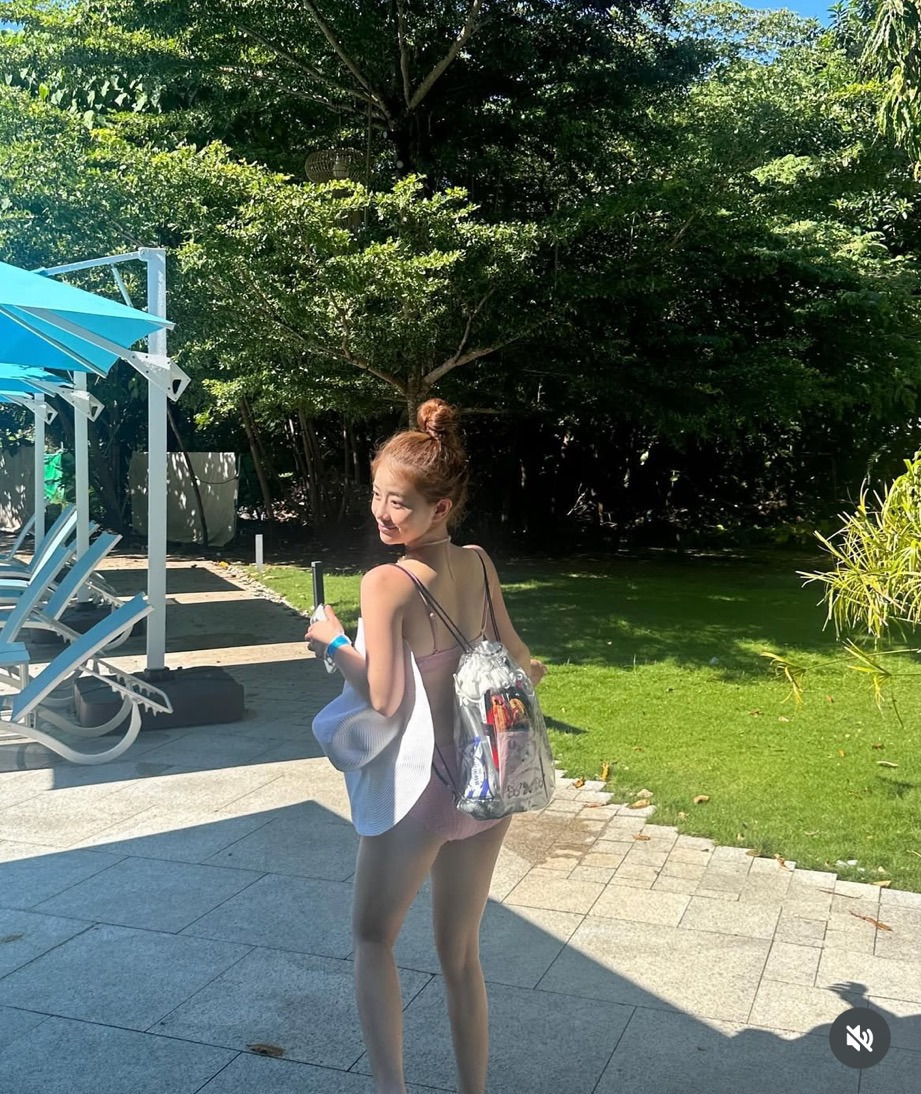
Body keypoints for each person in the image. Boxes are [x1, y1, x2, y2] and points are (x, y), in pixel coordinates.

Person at [306, 397, 547, 1094]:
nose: (382, 514)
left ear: (440, 507)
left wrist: (332, 643)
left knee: (371, 939)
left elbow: (383, 698)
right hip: (489, 781)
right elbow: (523, 661)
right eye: (377, 496)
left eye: (399, 504)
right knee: (461, 955)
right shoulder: (478, 563)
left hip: (422, 790)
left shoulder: (386, 582)